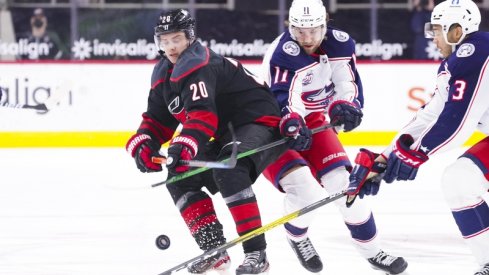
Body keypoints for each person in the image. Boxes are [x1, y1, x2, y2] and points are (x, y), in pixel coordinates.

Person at [125, 9, 287, 275]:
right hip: (227, 132)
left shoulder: (200, 65)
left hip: (260, 121)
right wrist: (145, 143)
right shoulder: (164, 72)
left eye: (176, 39)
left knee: (229, 168)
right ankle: (214, 250)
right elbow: (157, 118)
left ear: (189, 37)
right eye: (163, 41)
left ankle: (256, 252)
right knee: (178, 176)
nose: (170, 47)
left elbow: (203, 116)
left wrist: (183, 144)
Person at [260, 0, 408, 274]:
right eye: (299, 31)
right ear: (289, 27)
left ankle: (373, 252)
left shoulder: (341, 43)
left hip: (313, 119)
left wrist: (348, 105)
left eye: (313, 30)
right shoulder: (283, 52)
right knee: (305, 190)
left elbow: (347, 81)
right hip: (271, 125)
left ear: (325, 23)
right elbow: (283, 97)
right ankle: (297, 237)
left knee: (345, 186)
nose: (307, 38)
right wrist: (291, 122)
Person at [347, 1, 489, 274]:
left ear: (457, 30)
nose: (432, 37)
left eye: (437, 29)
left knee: (461, 179)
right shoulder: (458, 62)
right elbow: (429, 116)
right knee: (460, 180)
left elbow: (459, 122)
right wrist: (384, 157)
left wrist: (417, 153)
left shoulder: (475, 52)